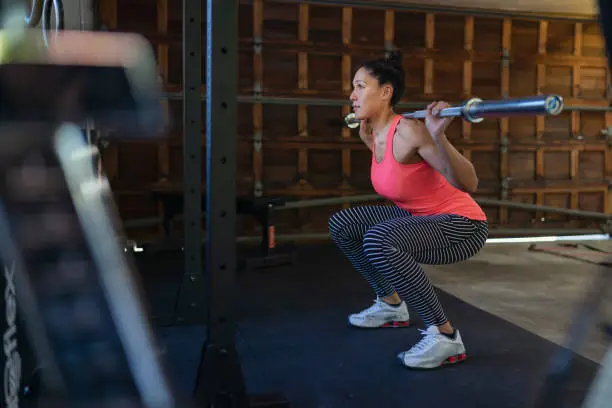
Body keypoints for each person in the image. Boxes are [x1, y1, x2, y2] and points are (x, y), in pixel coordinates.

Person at [328, 50, 489, 370]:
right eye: (353, 87)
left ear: (386, 92)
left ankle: (445, 336)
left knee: (378, 239)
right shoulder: (372, 133)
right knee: (344, 223)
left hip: (462, 226)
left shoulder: (411, 131)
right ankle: (390, 303)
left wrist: (438, 135)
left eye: (360, 86)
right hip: (420, 219)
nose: (352, 95)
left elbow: (469, 182)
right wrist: (366, 132)